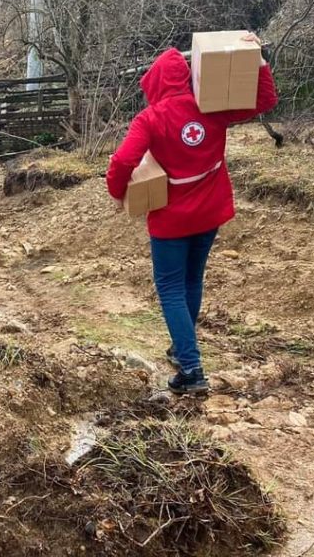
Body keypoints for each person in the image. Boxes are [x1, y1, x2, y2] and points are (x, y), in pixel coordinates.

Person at [105, 36, 278, 395]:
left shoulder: (149, 119)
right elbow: (265, 101)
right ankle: (181, 345)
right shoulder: (211, 107)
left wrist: (117, 190)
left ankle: (191, 368)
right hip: (209, 214)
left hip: (171, 221)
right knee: (191, 280)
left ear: (153, 82)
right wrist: (259, 61)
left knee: (169, 287)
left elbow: (123, 161)